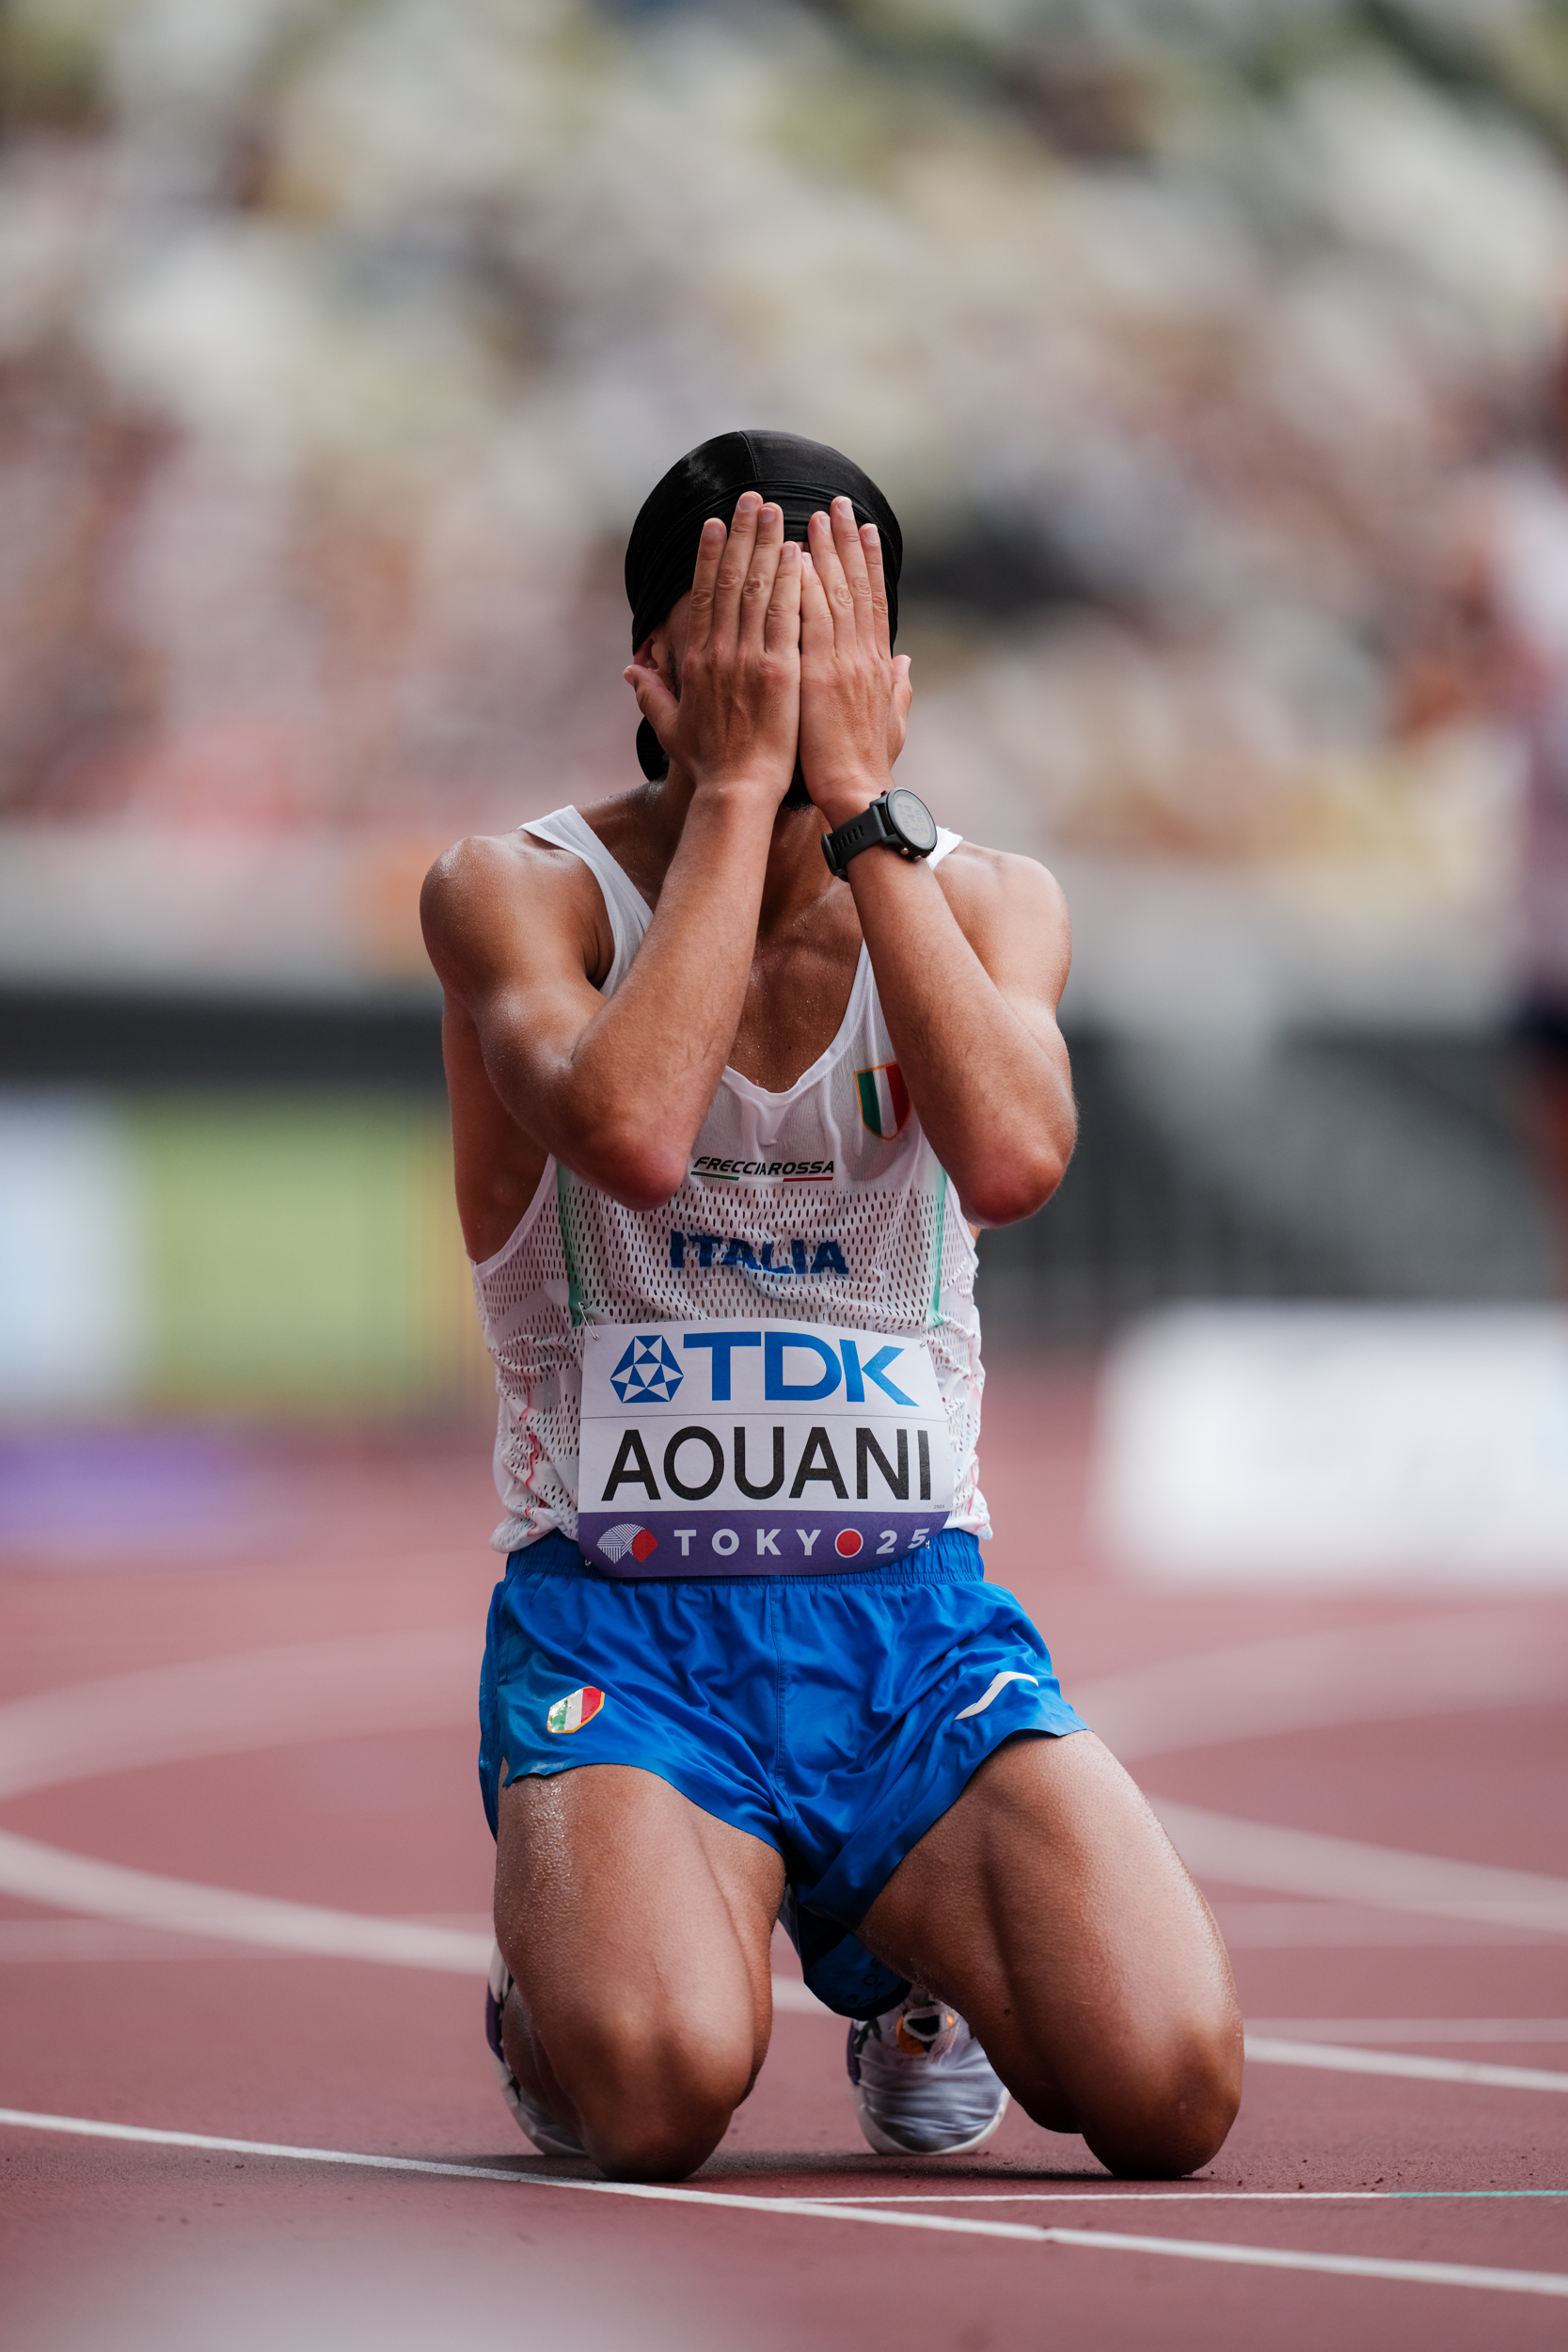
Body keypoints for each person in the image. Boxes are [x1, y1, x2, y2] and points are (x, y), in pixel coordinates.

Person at [420, 430, 1243, 2185]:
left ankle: (908, 1964)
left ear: (892, 679)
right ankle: (551, 1983)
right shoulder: (516, 895)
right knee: (653, 2096)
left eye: (832, 652)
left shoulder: (993, 902)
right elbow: (636, 1135)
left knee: (1170, 2089)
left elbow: (1015, 1159)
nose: (793, 689)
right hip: (624, 1635)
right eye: (753, 645)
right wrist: (737, 796)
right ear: (658, 667)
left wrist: (868, 819)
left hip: (910, 1631)